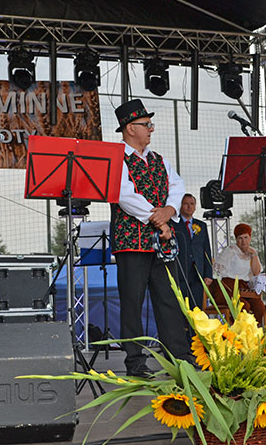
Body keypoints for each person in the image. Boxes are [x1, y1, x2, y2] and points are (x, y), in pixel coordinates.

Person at [111, 99, 192, 377]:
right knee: (132, 302)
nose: (151, 130)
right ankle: (135, 362)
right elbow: (124, 195)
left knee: (169, 298)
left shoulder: (160, 160)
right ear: (130, 128)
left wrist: (169, 210)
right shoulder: (116, 158)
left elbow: (176, 186)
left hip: (162, 239)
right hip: (131, 241)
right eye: (146, 125)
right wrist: (156, 218)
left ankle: (179, 357)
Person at [208, 223, 266, 324]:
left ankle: (253, 333)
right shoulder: (231, 250)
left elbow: (256, 272)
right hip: (226, 288)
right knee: (243, 305)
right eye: (240, 238)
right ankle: (239, 333)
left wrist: (254, 254)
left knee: (259, 306)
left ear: (250, 238)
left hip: (243, 287)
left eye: (246, 237)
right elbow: (217, 270)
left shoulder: (252, 252)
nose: (243, 241)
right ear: (236, 239)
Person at [172, 193, 212, 310]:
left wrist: (208, 274)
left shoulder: (201, 225)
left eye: (192, 204)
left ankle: (194, 329)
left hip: (197, 273)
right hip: (180, 272)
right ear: (180, 206)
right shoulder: (174, 224)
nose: (189, 207)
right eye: (186, 204)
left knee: (196, 308)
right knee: (181, 307)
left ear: (195, 206)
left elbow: (206, 251)